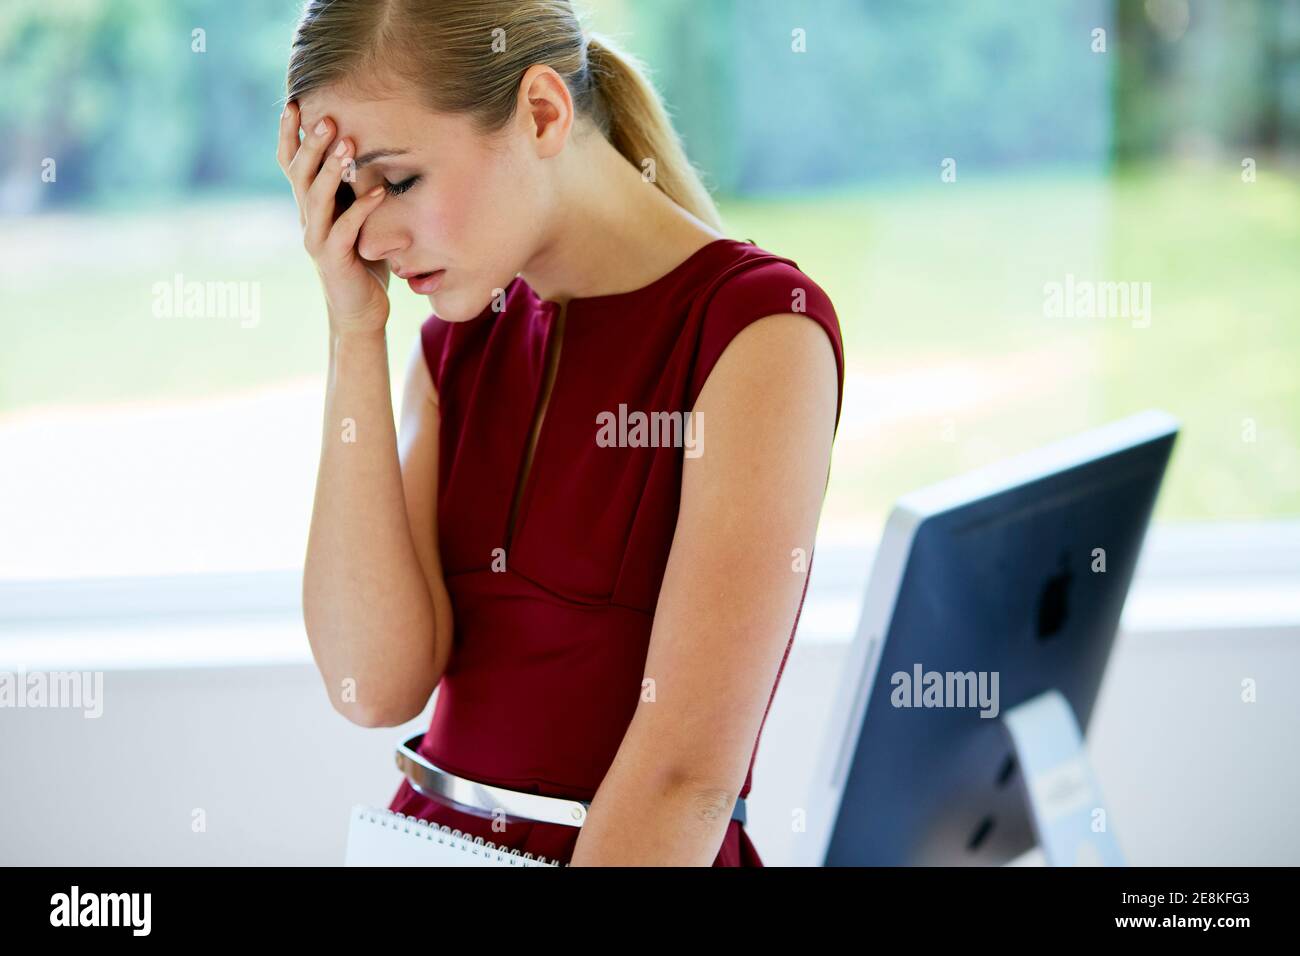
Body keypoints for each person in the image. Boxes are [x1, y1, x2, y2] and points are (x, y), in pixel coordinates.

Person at [280, 0, 844, 866]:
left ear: (543, 112)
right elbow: (373, 685)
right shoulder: (456, 342)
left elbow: (684, 784)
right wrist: (353, 331)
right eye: (350, 196)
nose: (375, 237)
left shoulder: (760, 332)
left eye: (398, 181)